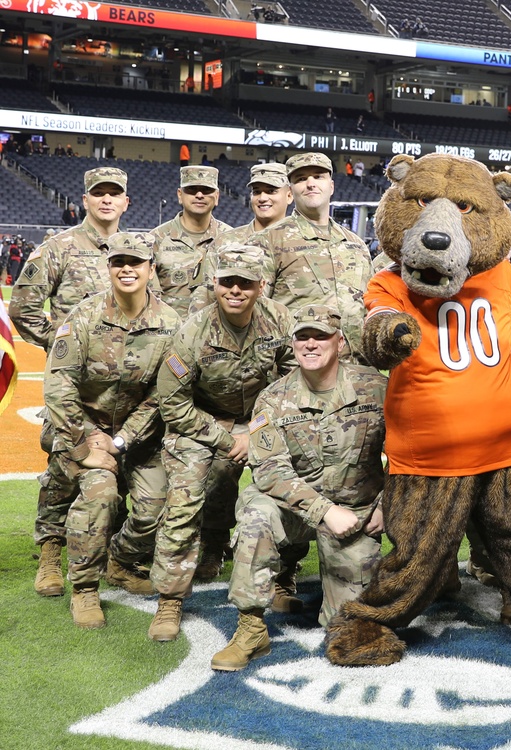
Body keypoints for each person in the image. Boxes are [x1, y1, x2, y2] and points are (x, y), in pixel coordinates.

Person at [211, 304, 387, 671]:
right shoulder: (273, 399)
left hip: (355, 513)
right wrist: (324, 511)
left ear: (339, 343)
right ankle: (251, 629)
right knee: (257, 514)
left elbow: (412, 453)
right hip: (294, 509)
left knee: (350, 628)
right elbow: (271, 472)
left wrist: (389, 503)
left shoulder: (375, 388)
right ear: (292, 345)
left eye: (320, 336)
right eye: (302, 337)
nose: (310, 344)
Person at [147, 245, 295, 641]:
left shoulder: (280, 320)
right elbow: (172, 402)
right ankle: (170, 599)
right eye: (227, 281)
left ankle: (284, 576)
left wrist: (257, 430)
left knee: (296, 481)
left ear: (260, 286)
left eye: (244, 283)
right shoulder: (193, 331)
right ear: (214, 284)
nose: (235, 290)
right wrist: (226, 437)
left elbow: (294, 385)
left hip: (262, 419)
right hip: (203, 420)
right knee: (184, 499)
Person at [44, 232, 180, 628]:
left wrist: (122, 440)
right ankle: (85, 588)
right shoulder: (84, 317)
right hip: (85, 430)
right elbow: (59, 384)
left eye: (135, 262)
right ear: (108, 268)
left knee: (157, 505)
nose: (126, 269)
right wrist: (86, 443)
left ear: (150, 269)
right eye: (119, 261)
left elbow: (163, 393)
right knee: (101, 493)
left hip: (136, 438)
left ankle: (118, 561)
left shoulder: (171, 323)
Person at [11, 167, 132, 597]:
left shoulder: (134, 250)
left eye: (113, 194)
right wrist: (64, 343)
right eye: (98, 193)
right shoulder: (57, 248)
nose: (106, 200)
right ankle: (50, 551)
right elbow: (23, 309)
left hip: (125, 387)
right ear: (84, 200)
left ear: (125, 203)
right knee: (64, 463)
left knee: (120, 466)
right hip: (73, 384)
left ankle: (112, 554)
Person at [248, 152, 373, 365]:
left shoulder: (355, 244)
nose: (310, 183)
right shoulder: (268, 241)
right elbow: (255, 316)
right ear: (291, 190)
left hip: (356, 374)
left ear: (331, 186)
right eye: (300, 179)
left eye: (318, 176)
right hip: (298, 374)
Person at [190, 163, 293, 313]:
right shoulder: (223, 243)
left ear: (289, 195)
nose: (263, 198)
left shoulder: (305, 244)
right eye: (257, 192)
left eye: (271, 191)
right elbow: (203, 301)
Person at [150, 165, 232, 317]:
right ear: (180, 195)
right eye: (192, 190)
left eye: (206, 190)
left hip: (215, 335)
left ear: (217, 196)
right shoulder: (156, 239)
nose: (199, 195)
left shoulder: (231, 239)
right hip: (169, 334)